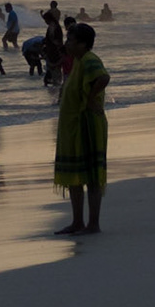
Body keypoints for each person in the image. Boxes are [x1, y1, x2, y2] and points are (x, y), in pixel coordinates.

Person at [54, 23, 110, 235]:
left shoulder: (89, 60)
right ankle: (77, 222)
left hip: (87, 124)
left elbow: (104, 78)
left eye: (71, 40)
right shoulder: (77, 61)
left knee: (91, 175)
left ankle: (93, 224)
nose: (67, 43)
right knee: (74, 175)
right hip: (72, 126)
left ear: (83, 44)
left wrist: (89, 99)